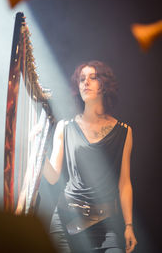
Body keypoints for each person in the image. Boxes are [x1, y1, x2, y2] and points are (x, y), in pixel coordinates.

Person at [43, 60, 137, 253]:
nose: (85, 83)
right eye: (82, 79)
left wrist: (129, 226)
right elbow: (52, 177)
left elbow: (124, 183)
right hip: (65, 222)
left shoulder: (124, 131)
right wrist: (39, 151)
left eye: (93, 78)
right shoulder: (65, 127)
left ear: (105, 85)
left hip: (104, 225)